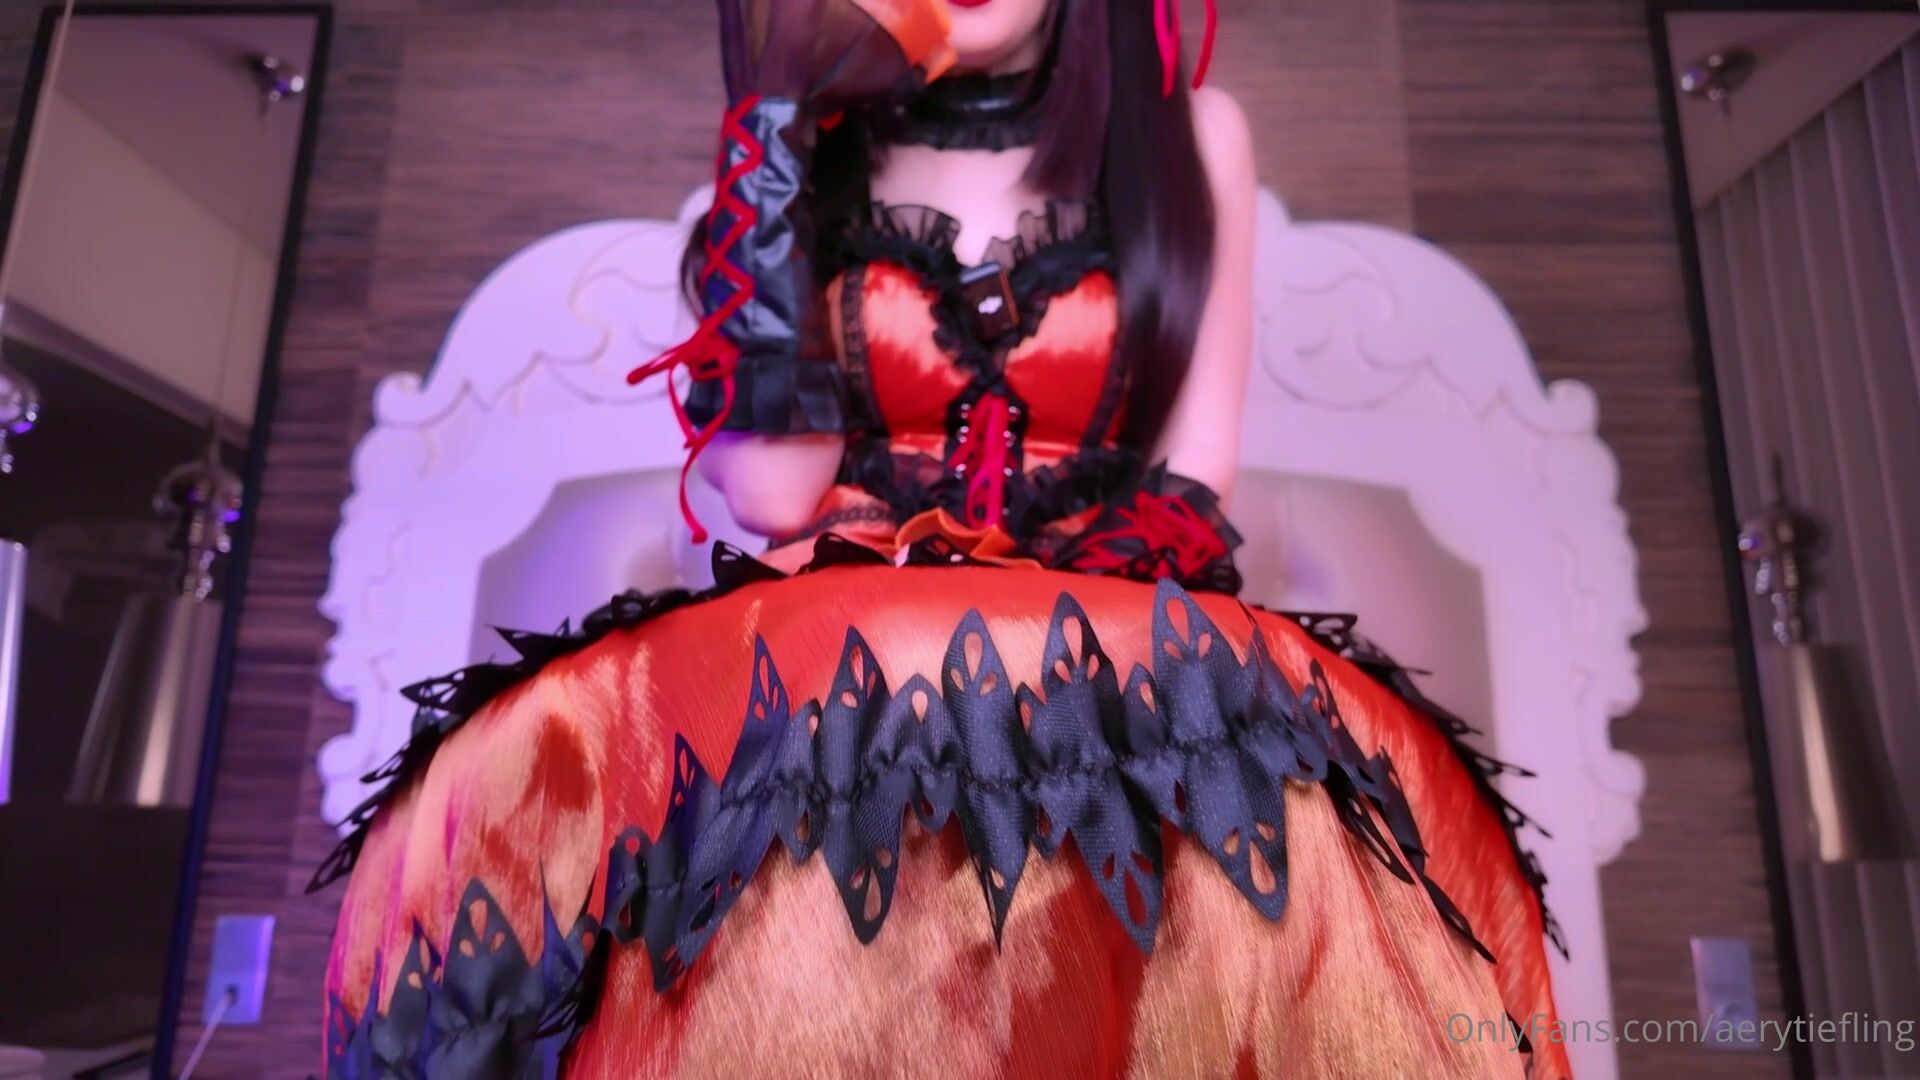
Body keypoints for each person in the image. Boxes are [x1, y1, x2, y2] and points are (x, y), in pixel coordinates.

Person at [315, 1, 1570, 1076]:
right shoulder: (795, 160)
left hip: (1112, 630)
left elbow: (1193, 477)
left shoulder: (1194, 136)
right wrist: (776, 132)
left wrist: (1048, 643)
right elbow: (772, 497)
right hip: (835, 642)